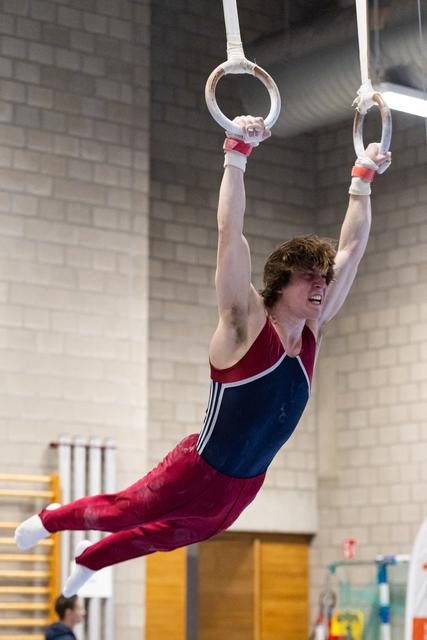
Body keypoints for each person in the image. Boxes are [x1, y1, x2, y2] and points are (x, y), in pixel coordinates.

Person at [15, 116, 391, 597]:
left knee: (177, 535)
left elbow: (352, 250)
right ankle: (49, 521)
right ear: (280, 285)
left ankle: (91, 559)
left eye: (322, 277)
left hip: (247, 482)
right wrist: (237, 154)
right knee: (128, 512)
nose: (321, 284)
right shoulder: (244, 321)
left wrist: (362, 181)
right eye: (307, 277)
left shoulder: (314, 329)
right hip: (199, 466)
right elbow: (229, 235)